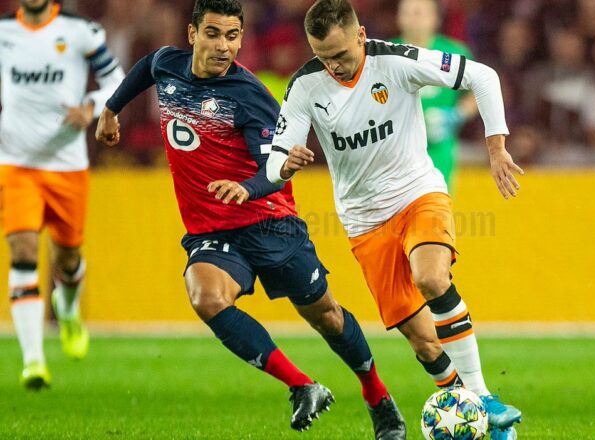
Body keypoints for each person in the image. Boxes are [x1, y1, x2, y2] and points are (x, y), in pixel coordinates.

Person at [95, 1, 405, 437]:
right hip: (213, 229)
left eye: (232, 36)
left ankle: (378, 396)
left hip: (269, 223)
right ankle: (302, 386)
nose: (224, 46)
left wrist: (246, 188)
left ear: (241, 38)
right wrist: (111, 110)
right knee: (206, 297)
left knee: (327, 317)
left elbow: (273, 171)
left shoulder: (248, 95)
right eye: (213, 34)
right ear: (192, 34)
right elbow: (147, 67)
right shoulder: (168, 65)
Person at [266, 1, 523, 438]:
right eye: (323, 57)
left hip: (417, 193)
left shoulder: (396, 61)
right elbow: (274, 158)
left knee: (431, 277)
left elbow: (483, 76)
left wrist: (496, 148)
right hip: (364, 223)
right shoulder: (305, 85)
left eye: (341, 55)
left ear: (361, 35)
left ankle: (481, 397)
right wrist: (284, 166)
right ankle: (477, 419)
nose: (334, 66)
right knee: (425, 345)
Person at [0, 0, 125, 390]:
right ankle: (33, 361)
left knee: (68, 259)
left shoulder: (79, 32)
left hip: (67, 166)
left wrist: (91, 107)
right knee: (22, 252)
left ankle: (67, 308)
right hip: (15, 164)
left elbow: (117, 80)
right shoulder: (4, 33)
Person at [392, 0, 477, 189]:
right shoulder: (383, 54)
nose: (414, 18)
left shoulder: (454, 53)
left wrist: (456, 115)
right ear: (398, 18)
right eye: (408, 12)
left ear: (436, 19)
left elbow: (477, 94)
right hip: (394, 150)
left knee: (435, 202)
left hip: (438, 150)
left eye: (420, 12)